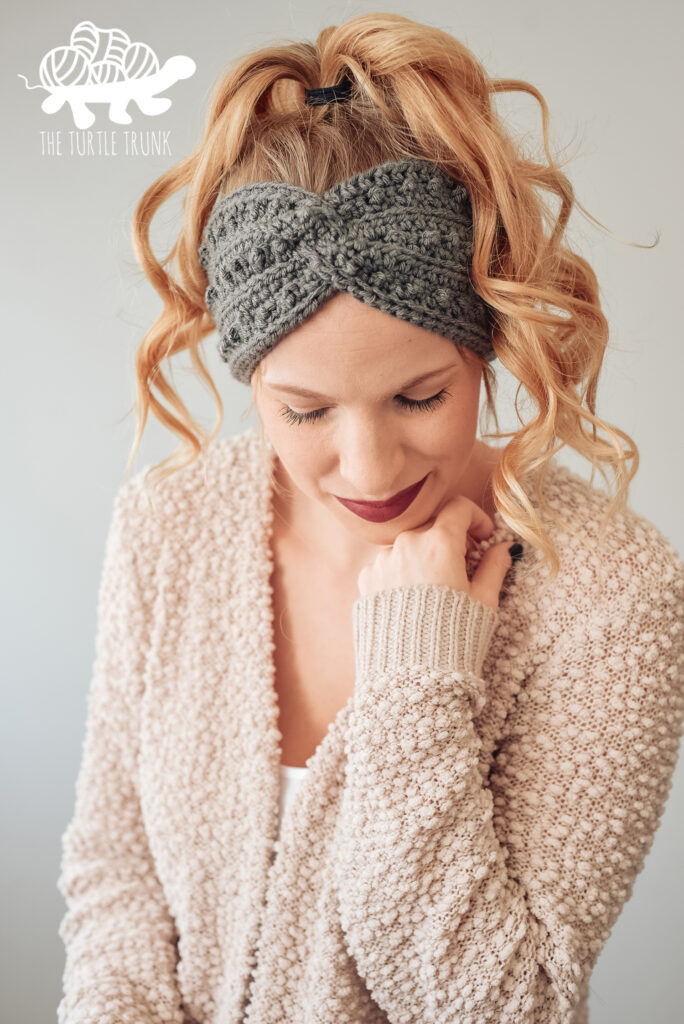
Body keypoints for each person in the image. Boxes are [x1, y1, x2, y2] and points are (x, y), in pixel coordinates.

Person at [56, 12, 684, 1024]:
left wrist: (416, 676)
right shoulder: (168, 526)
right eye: (304, 411)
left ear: (486, 342)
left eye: (420, 396)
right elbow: (114, 879)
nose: (369, 464)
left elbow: (502, 1007)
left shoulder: (608, 594)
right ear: (249, 373)